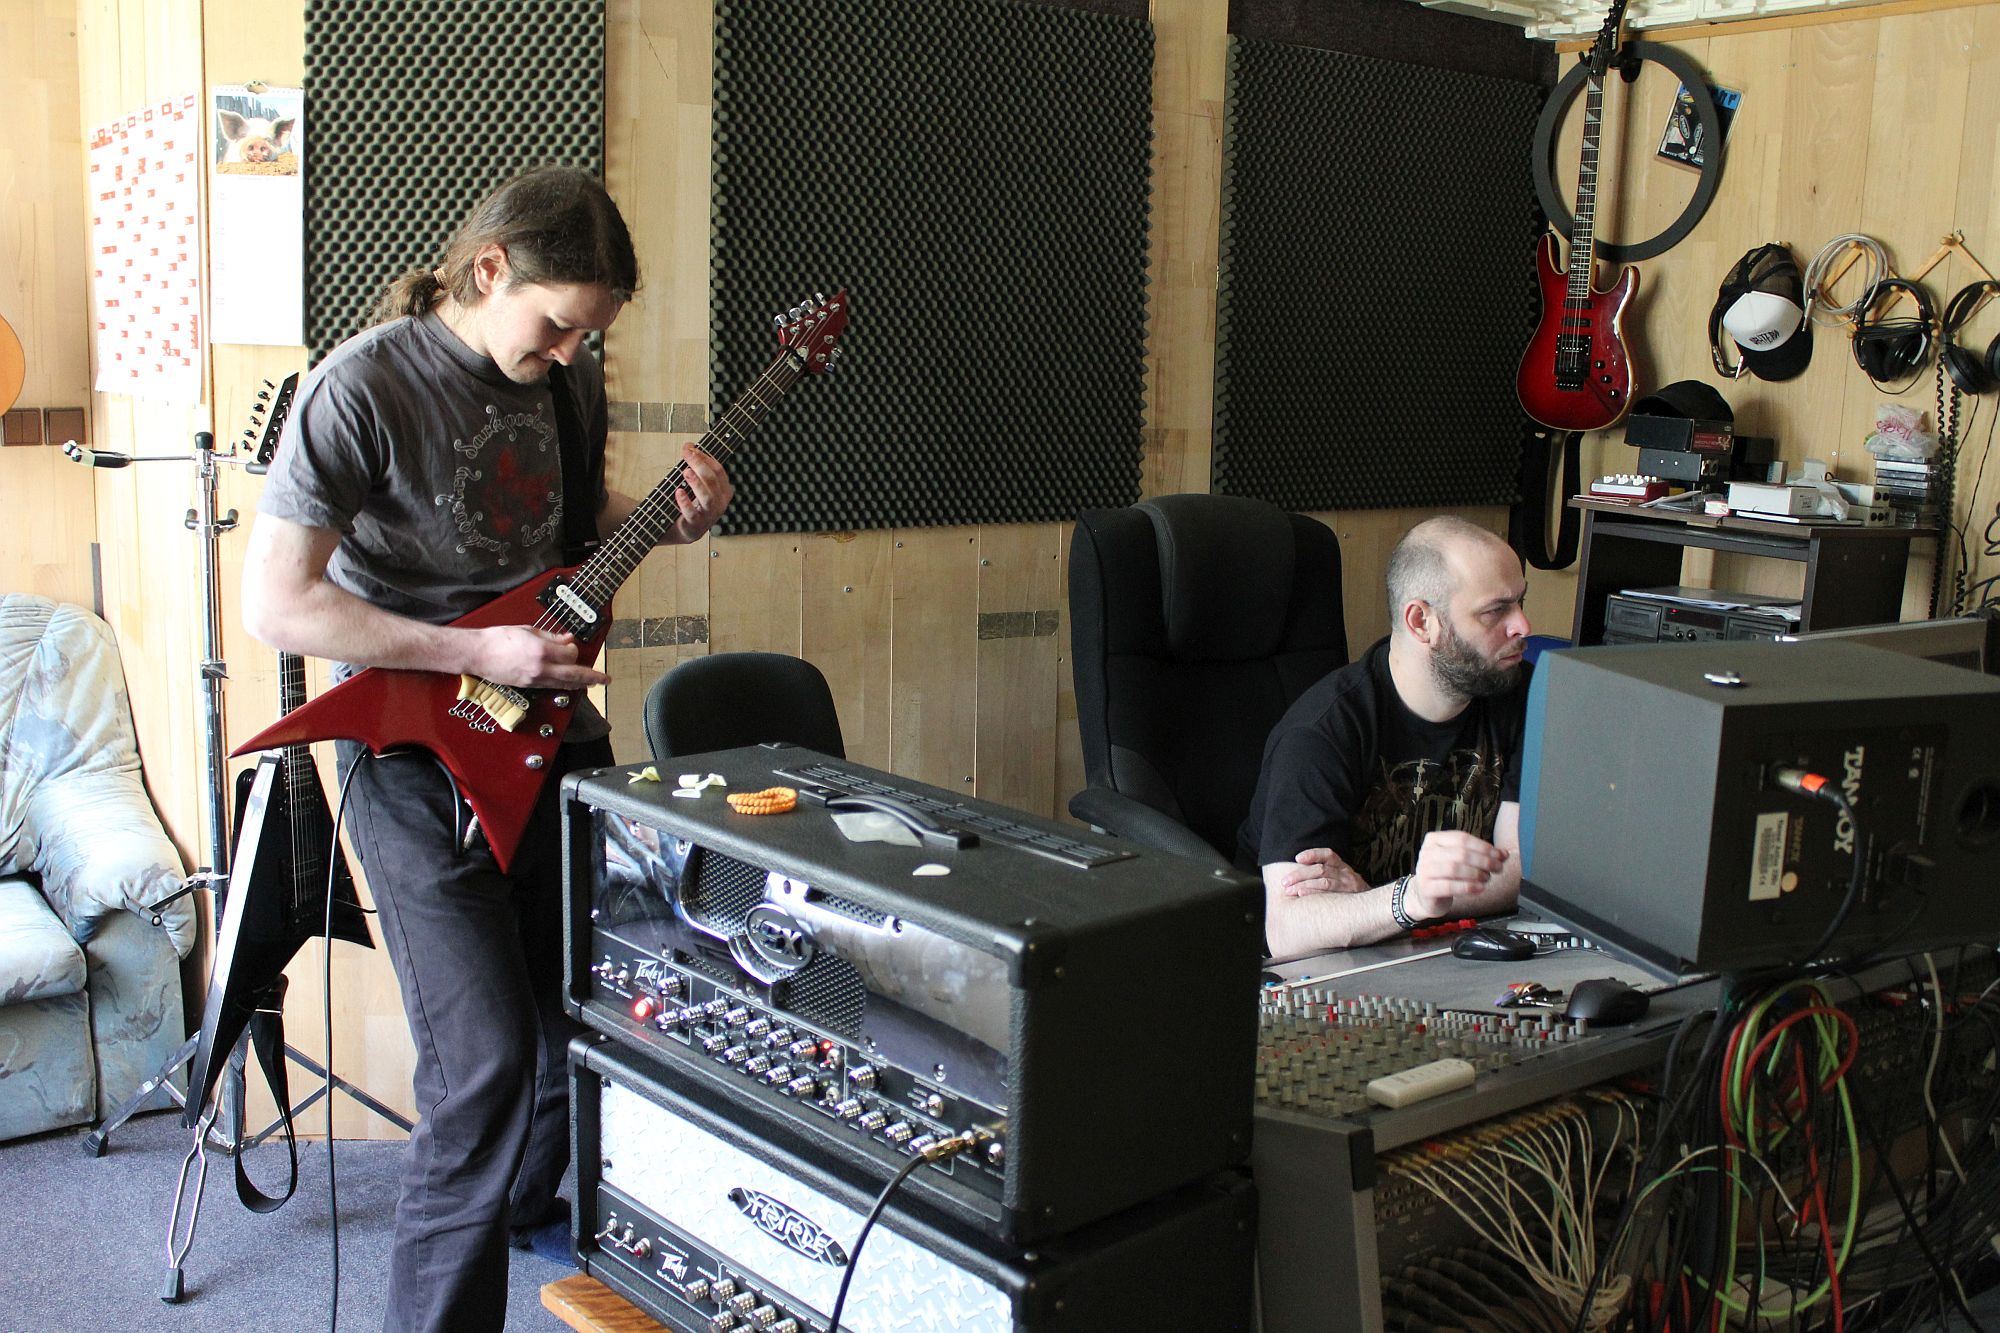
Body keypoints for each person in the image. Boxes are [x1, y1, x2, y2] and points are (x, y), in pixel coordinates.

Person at [239, 165, 733, 1332]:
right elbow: (279, 605)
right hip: (413, 756)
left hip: (553, 744)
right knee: (482, 1066)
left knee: (598, 1018)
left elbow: (569, 532)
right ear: (488, 267)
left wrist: (668, 518)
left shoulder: (566, 379)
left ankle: (529, 1213)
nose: (568, 352)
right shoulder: (359, 388)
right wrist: (473, 652)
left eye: (588, 335)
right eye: (555, 324)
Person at [1236, 516, 1532, 961]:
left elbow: (1524, 873)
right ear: (1421, 621)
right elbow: (1287, 927)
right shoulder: (1320, 733)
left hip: (1439, 949)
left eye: (1521, 602)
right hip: (1318, 972)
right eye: (1495, 611)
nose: (1523, 625)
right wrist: (1411, 898)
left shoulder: (1520, 692)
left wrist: (1379, 900)